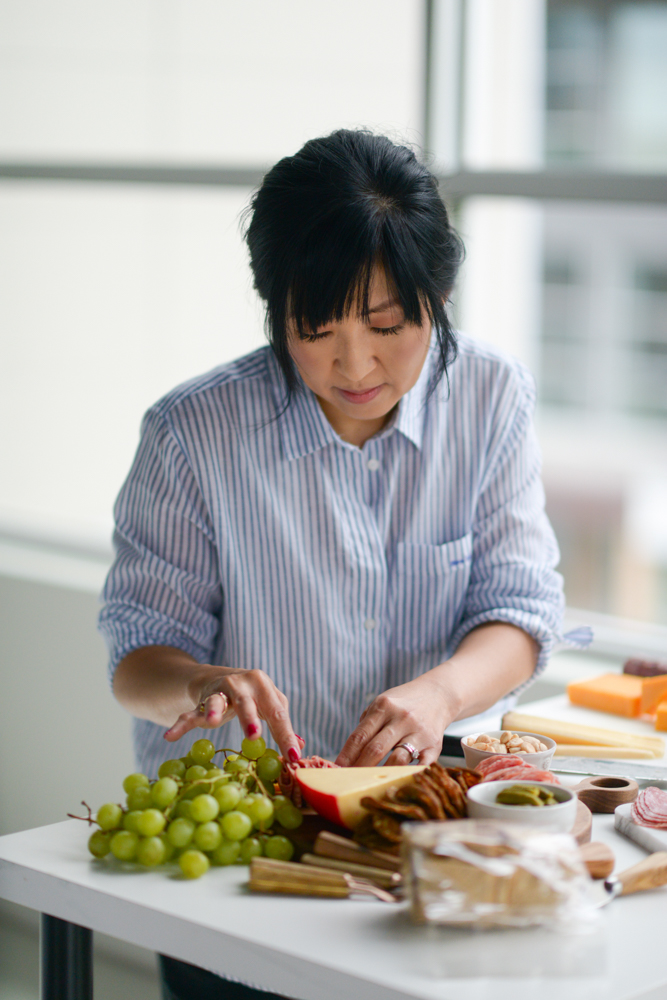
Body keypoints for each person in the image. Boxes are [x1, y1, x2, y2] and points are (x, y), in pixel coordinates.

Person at [99, 129, 564, 999]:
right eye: (314, 330)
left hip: (421, 841)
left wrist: (439, 695)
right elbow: (136, 661)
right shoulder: (192, 433)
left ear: (441, 295)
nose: (355, 365)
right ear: (272, 307)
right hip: (242, 853)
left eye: (388, 326)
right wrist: (200, 681)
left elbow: (520, 611)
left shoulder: (492, 398)